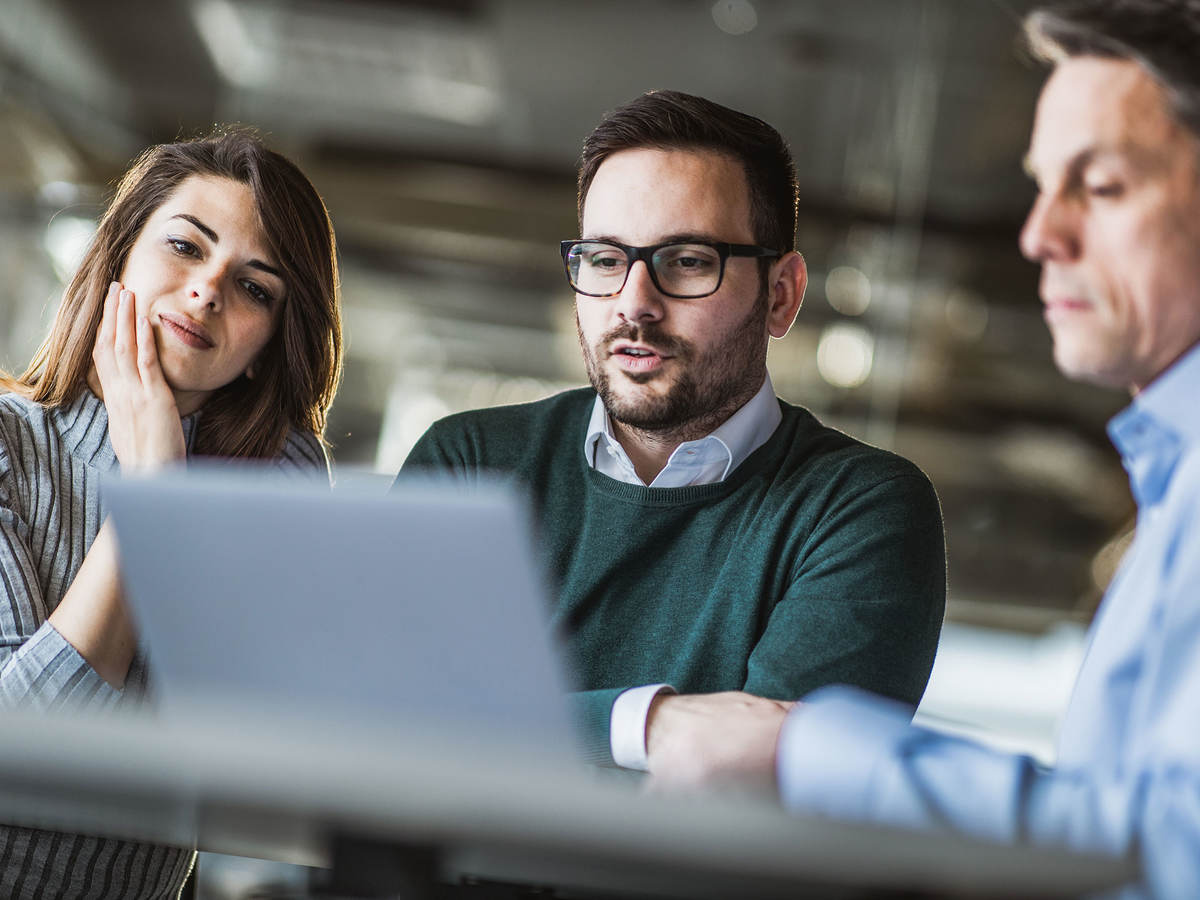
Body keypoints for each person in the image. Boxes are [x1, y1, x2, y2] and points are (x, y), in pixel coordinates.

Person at [665, 1, 1200, 897]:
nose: (1040, 234)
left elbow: (1177, 853)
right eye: (1042, 185)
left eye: (1101, 187)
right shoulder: (1171, 484)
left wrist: (810, 750)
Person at [400, 91, 946, 775]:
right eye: (604, 259)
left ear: (780, 296)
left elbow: (767, 792)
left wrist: (502, 724)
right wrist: (653, 726)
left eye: (687, 261)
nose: (633, 304)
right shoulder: (471, 463)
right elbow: (390, 718)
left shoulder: (858, 510)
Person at [0, 129, 343, 899]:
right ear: (118, 254)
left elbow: (245, 774)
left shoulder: (276, 493)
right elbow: (20, 748)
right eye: (186, 247)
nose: (208, 289)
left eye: (256, 287)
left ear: (263, 346)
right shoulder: (6, 444)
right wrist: (153, 488)